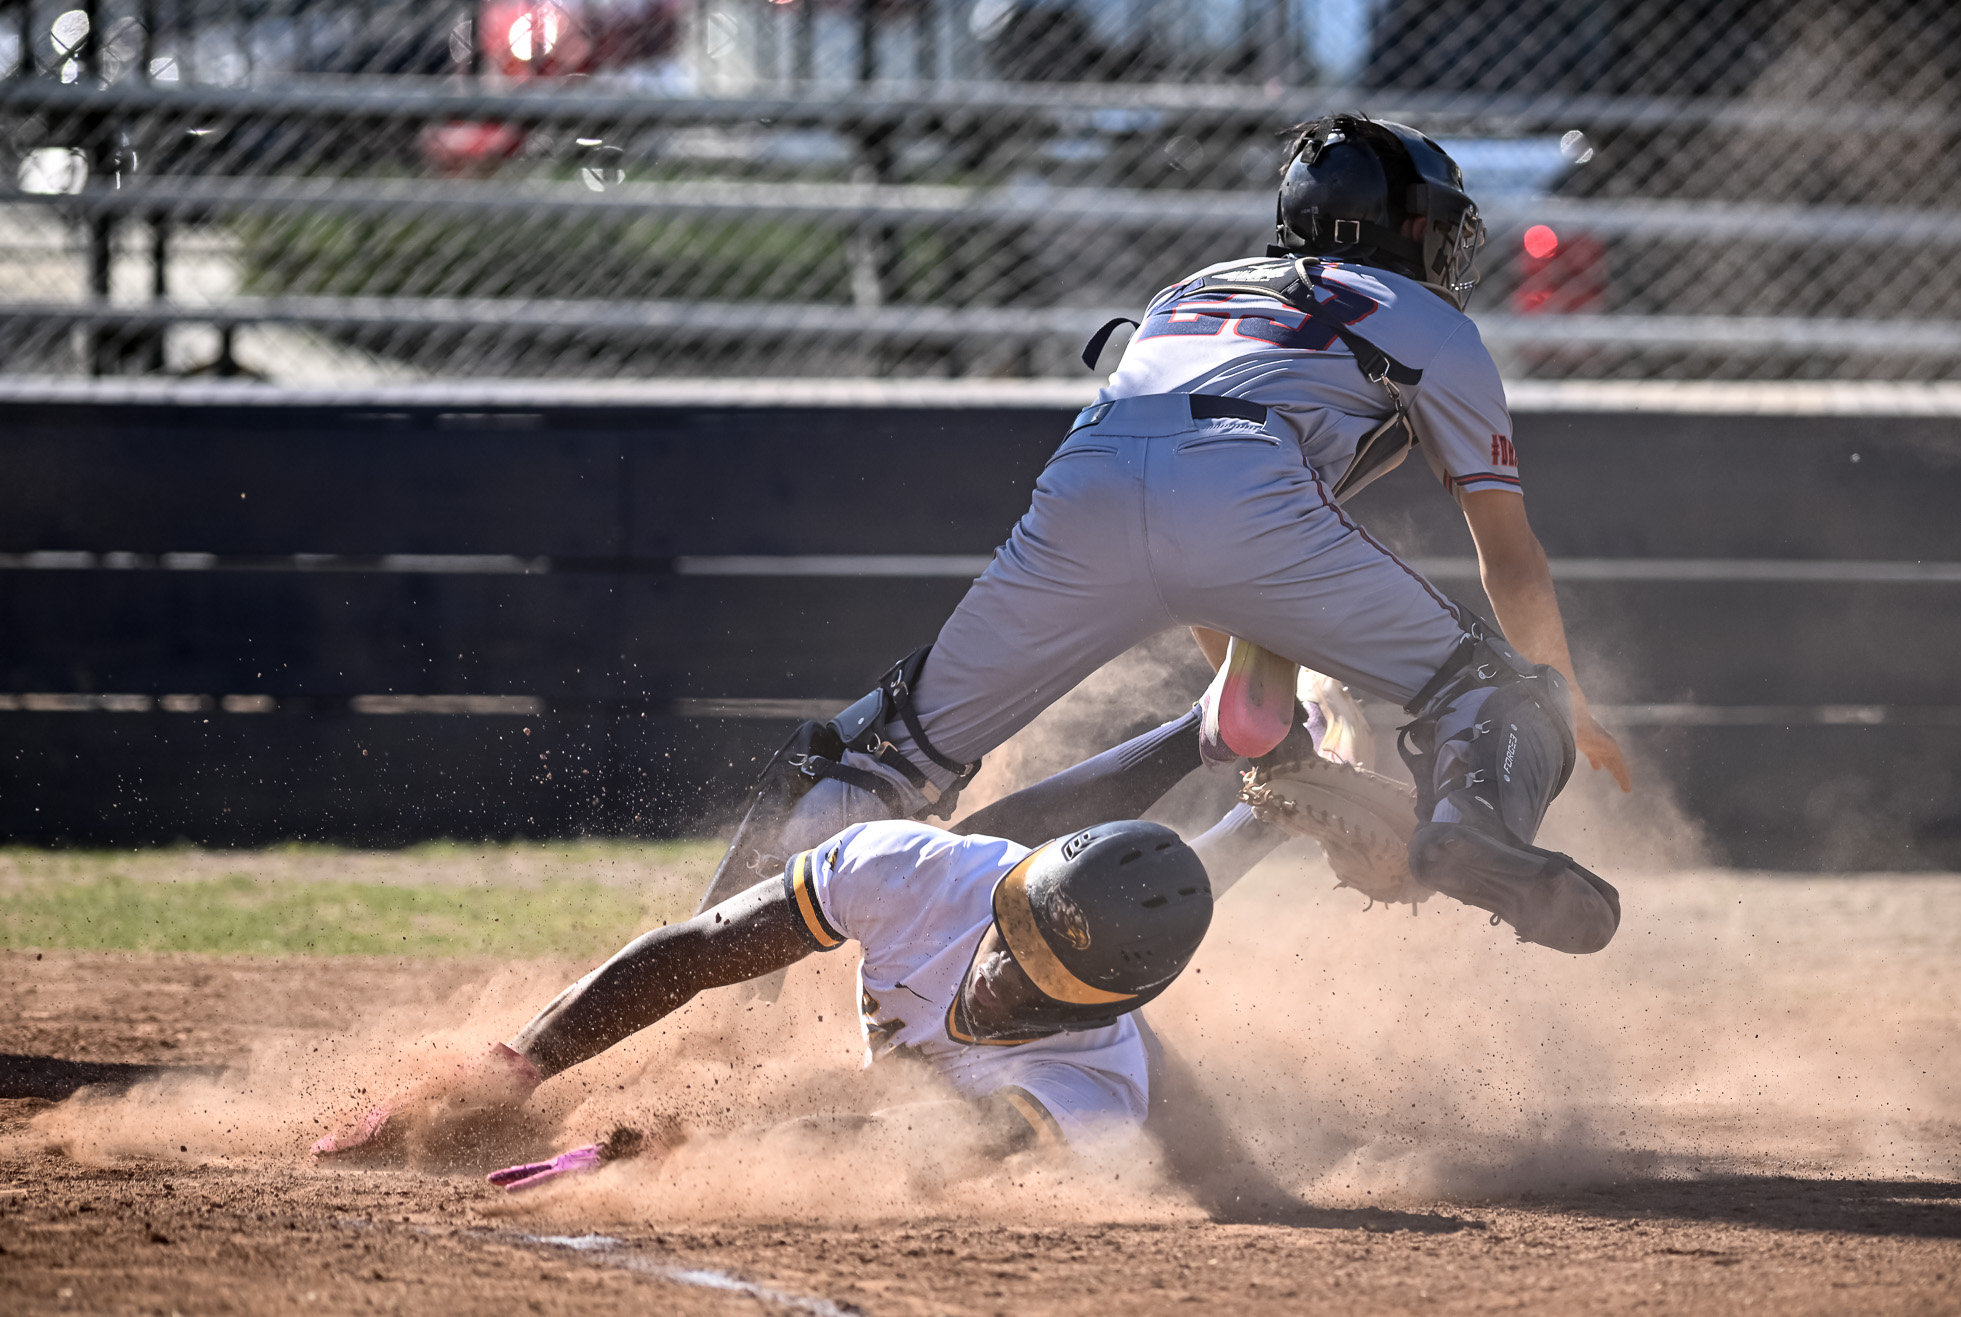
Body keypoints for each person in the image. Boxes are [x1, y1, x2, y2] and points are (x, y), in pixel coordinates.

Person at [703, 113, 1628, 956]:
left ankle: (721, 968)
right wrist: (1565, 704)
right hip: (1245, 478)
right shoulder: (1430, 321)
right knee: (1508, 690)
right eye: (1431, 223)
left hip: (1086, 478)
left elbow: (1186, 535)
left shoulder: (1190, 288)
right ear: (1399, 227)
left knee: (882, 748)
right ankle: (1473, 829)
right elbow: (1509, 555)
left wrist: (1268, 720)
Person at [311, 818, 1214, 1178]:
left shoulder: (1093, 1088)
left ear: (1097, 1006)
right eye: (1008, 935)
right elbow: (695, 951)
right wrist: (514, 1067)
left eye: (1038, 981)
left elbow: (908, 1149)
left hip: (1091, 1104)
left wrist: (685, 1143)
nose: (997, 971)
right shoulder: (920, 873)